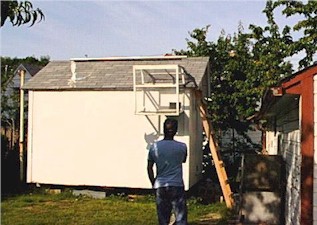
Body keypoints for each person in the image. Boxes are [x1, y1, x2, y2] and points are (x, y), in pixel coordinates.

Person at [147, 118, 188, 225]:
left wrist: (153, 182)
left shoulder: (154, 147)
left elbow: (149, 167)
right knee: (180, 217)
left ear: (163, 129)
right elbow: (183, 160)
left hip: (160, 184)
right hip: (177, 184)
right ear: (175, 131)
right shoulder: (182, 147)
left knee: (163, 219)